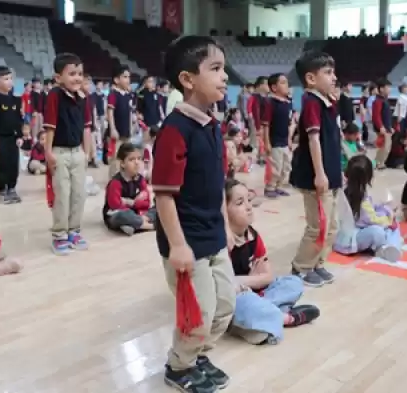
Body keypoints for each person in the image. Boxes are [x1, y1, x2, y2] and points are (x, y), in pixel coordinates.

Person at [152, 35, 235, 393]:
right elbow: (164, 197)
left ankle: (198, 354)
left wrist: (227, 226)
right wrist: (178, 246)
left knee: (225, 307)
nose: (225, 76)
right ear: (188, 79)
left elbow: (217, 185)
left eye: (224, 68)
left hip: (214, 234)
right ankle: (178, 366)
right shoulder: (174, 130)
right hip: (186, 242)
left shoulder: (213, 125)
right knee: (196, 314)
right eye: (215, 69)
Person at [224, 178, 320, 345]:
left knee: (293, 282)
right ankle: (286, 318)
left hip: (256, 294)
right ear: (224, 212)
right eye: (239, 202)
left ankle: (261, 321)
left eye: (249, 200)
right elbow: (224, 286)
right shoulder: (222, 243)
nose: (248, 207)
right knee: (244, 301)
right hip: (234, 302)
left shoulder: (253, 236)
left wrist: (244, 282)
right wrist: (248, 283)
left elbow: (267, 276)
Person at [288, 51, 341, 287]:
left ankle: (318, 262)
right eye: (328, 73)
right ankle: (301, 267)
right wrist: (320, 174)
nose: (334, 77)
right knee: (317, 225)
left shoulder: (327, 102)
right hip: (315, 176)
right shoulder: (310, 102)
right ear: (310, 78)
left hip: (331, 174)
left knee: (331, 225)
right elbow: (313, 140)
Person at [43, 53, 92, 255]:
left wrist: (87, 152)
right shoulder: (54, 95)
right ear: (58, 77)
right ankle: (59, 234)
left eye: (80, 73)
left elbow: (87, 128)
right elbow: (50, 128)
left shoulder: (83, 98)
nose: (77, 78)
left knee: (79, 194)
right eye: (71, 74)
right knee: (62, 195)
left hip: (77, 152)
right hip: (60, 152)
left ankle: (74, 230)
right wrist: (48, 153)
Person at [334, 155, 402, 262]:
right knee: (384, 229)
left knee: (384, 224)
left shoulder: (347, 189)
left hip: (346, 235)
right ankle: (390, 246)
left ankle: (384, 247)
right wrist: (389, 217)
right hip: (351, 240)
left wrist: (383, 210)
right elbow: (370, 220)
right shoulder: (360, 198)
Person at [0, 66, 23, 204]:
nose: (9, 82)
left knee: (14, 164)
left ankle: (12, 188)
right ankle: (2, 189)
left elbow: (18, 120)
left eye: (11, 79)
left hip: (13, 138)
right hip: (0, 138)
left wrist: (19, 135)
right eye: (5, 79)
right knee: (3, 164)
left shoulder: (15, 100)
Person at [103, 142, 156, 235]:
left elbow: (147, 203)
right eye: (132, 159)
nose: (137, 162)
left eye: (139, 159)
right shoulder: (116, 182)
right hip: (116, 214)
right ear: (123, 163)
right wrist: (134, 202)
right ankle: (150, 226)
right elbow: (115, 205)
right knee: (123, 215)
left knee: (159, 207)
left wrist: (127, 202)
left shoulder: (141, 179)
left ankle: (136, 224)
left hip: (138, 213)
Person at [261, 73, 293, 198]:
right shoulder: (270, 102)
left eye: (287, 82)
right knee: (276, 166)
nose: (287, 85)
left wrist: (290, 139)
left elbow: (290, 123)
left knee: (286, 167)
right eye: (283, 82)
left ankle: (279, 186)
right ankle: (270, 187)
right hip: (274, 141)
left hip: (285, 140)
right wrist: (266, 142)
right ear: (274, 87)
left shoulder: (287, 103)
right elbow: (266, 125)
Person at [107, 65, 133, 177]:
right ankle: (113, 181)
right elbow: (110, 112)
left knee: (126, 157)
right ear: (117, 80)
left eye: (129, 77)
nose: (128, 80)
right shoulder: (113, 94)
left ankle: (124, 179)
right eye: (125, 77)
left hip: (126, 131)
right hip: (116, 133)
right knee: (115, 158)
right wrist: (113, 129)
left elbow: (130, 113)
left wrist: (131, 128)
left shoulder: (128, 95)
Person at [372, 78, 393, 169]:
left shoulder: (384, 100)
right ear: (381, 89)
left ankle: (379, 162)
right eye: (388, 87)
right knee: (384, 146)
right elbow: (376, 115)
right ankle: (379, 163)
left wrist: (390, 127)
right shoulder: (378, 101)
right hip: (382, 128)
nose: (390, 89)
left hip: (386, 127)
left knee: (386, 146)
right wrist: (381, 126)